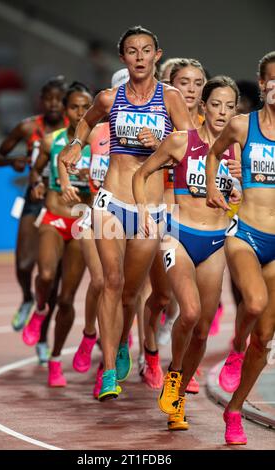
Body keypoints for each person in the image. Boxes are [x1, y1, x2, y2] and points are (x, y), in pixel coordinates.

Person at [58, 25, 194, 401]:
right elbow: (85, 123)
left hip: (148, 209)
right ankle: (108, 371)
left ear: (157, 55)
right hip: (112, 201)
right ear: (123, 58)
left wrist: (163, 145)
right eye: (131, 51)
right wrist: (74, 145)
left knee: (131, 292)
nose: (138, 57)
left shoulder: (171, 98)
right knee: (111, 282)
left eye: (145, 50)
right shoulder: (108, 98)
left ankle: (120, 345)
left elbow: (188, 144)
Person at [133, 76, 241, 431]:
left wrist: (240, 192)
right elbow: (142, 173)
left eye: (229, 106)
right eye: (216, 104)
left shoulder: (238, 150)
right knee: (189, 312)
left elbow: (247, 199)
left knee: (201, 331)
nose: (222, 112)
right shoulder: (182, 141)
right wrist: (145, 211)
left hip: (215, 244)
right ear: (204, 108)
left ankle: (177, 393)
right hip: (177, 235)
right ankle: (172, 374)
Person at [206, 51, 275, 445]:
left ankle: (235, 410)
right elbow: (213, 154)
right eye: (271, 78)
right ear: (262, 83)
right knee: (252, 303)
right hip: (246, 231)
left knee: (264, 339)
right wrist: (216, 187)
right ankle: (235, 347)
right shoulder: (241, 125)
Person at [0, 77, 68, 365]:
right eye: (47, 99)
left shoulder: (71, 132)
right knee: (24, 263)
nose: (52, 105)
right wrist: (13, 161)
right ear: (41, 100)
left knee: (52, 280)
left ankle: (43, 340)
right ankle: (26, 297)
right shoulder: (27, 127)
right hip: (33, 201)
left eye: (58, 100)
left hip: (61, 204)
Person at [23, 81, 94, 386]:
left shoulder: (100, 145)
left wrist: (92, 179)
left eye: (85, 108)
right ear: (66, 111)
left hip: (81, 223)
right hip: (53, 217)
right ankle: (39, 309)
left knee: (66, 300)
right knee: (47, 276)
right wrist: (37, 182)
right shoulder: (52, 141)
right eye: (75, 107)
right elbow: (36, 169)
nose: (80, 113)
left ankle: (54, 359)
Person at [142, 58, 207, 392]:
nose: (192, 90)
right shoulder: (158, 123)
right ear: (171, 87)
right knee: (162, 297)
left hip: (198, 222)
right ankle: (150, 354)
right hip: (160, 215)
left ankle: (181, 366)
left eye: (198, 83)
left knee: (191, 304)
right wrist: (155, 147)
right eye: (184, 83)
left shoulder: (213, 124)